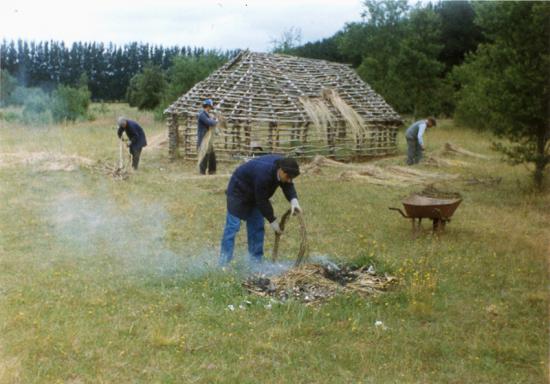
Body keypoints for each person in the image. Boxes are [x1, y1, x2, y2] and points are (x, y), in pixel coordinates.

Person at [219, 155, 302, 266]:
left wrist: (294, 201)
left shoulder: (285, 167)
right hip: (238, 191)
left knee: (257, 227)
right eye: (288, 177)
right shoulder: (264, 173)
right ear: (281, 171)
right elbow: (262, 200)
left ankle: (255, 263)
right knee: (232, 227)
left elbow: (288, 185)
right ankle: (223, 263)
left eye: (292, 178)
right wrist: (273, 221)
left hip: (256, 193)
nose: (289, 180)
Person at [197, 99, 218, 175]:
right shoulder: (202, 114)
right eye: (210, 107)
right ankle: (202, 172)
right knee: (204, 155)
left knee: (212, 155)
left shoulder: (206, 114)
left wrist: (214, 120)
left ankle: (212, 171)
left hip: (207, 138)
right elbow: (209, 122)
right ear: (208, 106)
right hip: (203, 138)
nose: (210, 109)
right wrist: (216, 121)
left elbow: (211, 121)